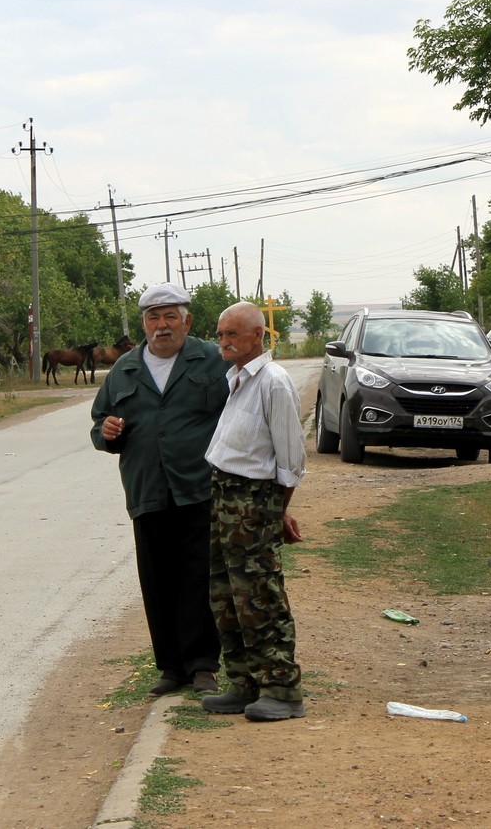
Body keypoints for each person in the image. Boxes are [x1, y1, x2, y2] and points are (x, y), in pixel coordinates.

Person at [91, 282, 230, 696]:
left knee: (199, 577)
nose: (162, 325)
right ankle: (170, 668)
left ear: (186, 320)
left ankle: (203, 664)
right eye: (154, 317)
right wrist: (107, 431)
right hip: (147, 488)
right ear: (144, 324)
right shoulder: (124, 370)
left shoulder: (212, 359)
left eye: (170, 316)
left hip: (199, 486)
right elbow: (100, 423)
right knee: (156, 579)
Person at [202, 301, 308, 721]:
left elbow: (290, 461)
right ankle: (244, 682)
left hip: (252, 501)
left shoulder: (274, 383)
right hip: (224, 496)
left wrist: (275, 512)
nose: (224, 341)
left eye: (232, 334)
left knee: (259, 596)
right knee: (225, 595)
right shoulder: (238, 380)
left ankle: (282, 688)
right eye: (221, 334)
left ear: (257, 337)